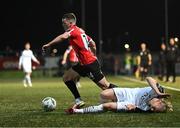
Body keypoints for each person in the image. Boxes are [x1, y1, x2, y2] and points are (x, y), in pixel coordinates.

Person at [42, 13, 118, 108]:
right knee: (67, 77)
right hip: (84, 64)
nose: (63, 25)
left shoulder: (73, 30)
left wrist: (49, 44)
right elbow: (93, 44)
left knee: (105, 86)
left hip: (89, 64)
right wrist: (94, 55)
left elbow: (63, 37)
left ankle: (125, 95)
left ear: (70, 23)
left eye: (64, 22)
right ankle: (78, 100)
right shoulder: (81, 32)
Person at [65, 77, 173, 114]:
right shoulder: (159, 91)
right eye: (154, 108)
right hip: (131, 92)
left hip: (130, 102)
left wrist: (134, 108)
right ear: (158, 101)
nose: (152, 110)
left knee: (107, 106)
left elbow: (136, 108)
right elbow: (149, 78)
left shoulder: (147, 109)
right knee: (103, 94)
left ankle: (76, 111)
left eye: (153, 110)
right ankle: (100, 106)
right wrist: (158, 92)